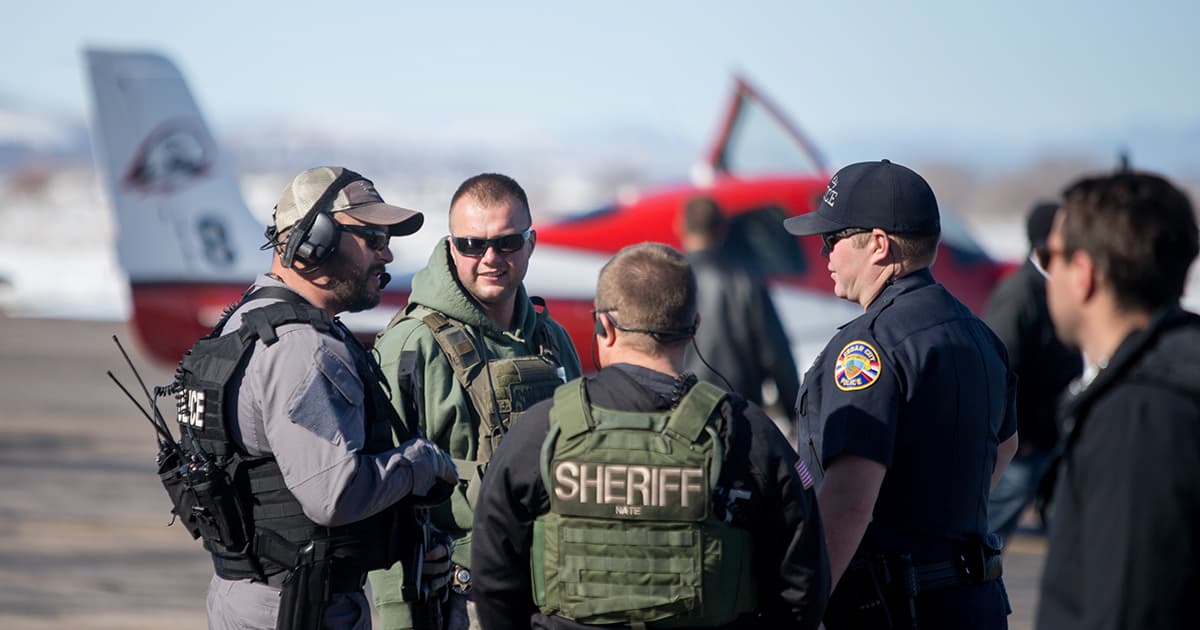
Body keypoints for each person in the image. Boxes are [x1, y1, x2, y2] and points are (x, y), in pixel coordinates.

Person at [470, 242, 830, 629]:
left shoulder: (541, 431)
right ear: (694, 326)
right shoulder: (748, 433)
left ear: (603, 326)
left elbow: (493, 580)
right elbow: (802, 586)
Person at [169, 166, 459, 629]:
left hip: (249, 594)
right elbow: (334, 494)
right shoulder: (305, 348)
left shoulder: (246, 320)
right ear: (314, 240)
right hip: (301, 605)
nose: (386, 254)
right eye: (372, 236)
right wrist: (420, 462)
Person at [786, 159, 1018, 629]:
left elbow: (850, 499)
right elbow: (1006, 445)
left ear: (877, 245)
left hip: (896, 610)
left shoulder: (867, 347)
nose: (824, 254)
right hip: (975, 603)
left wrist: (799, 609)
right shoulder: (976, 333)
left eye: (832, 240)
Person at [370, 173, 582, 630]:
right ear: (450, 247)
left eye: (507, 243)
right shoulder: (411, 345)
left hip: (552, 592)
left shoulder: (553, 341)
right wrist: (396, 614)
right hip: (454, 600)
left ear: (531, 243)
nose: (490, 258)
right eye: (471, 244)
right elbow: (383, 493)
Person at [1036, 172, 1200, 630]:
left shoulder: (1137, 417)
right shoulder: (1176, 369)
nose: (1045, 273)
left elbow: (1128, 605)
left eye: (1050, 256)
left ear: (1084, 274)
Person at [984, 201, 1082, 544]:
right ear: (1043, 246)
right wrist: (1016, 436)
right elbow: (997, 369)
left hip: (1050, 440)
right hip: (1023, 450)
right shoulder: (1020, 294)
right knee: (986, 536)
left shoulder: (1055, 288)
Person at [677, 196, 801, 431]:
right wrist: (794, 415)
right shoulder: (745, 279)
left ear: (680, 227)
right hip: (738, 416)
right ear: (722, 229)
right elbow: (775, 352)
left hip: (680, 418)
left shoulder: (667, 279)